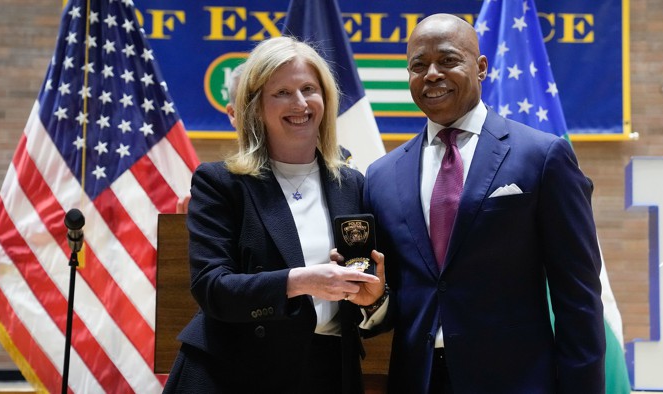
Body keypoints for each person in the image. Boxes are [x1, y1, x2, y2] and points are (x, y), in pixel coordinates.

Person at [362, 14, 605, 393]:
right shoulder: (381, 175)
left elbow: (578, 297)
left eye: (447, 61)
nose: (431, 74)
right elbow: (397, 291)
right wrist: (373, 302)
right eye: (417, 65)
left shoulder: (542, 157)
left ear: (481, 68)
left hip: (517, 381)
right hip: (418, 380)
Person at [163, 36, 386, 393]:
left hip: (327, 371)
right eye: (281, 92)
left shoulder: (354, 185)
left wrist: (372, 298)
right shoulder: (221, 183)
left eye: (309, 88)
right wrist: (299, 281)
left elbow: (372, 291)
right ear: (255, 107)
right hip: (235, 373)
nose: (299, 103)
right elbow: (212, 288)